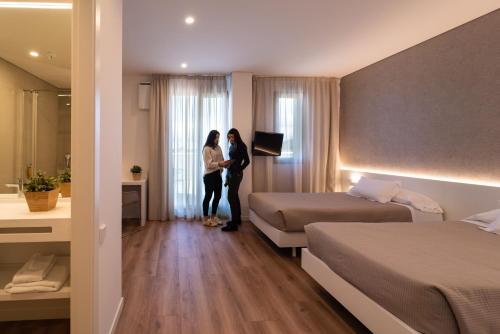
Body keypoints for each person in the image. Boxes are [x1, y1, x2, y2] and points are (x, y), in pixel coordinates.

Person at [222, 128, 250, 232]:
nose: (230, 139)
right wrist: (228, 163)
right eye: (229, 137)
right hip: (230, 173)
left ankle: (234, 225)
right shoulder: (232, 145)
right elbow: (234, 160)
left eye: (232, 136)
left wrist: (239, 169)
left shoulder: (242, 146)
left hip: (236, 174)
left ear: (236, 136)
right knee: (234, 196)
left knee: (231, 197)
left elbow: (247, 161)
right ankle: (237, 220)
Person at [202, 130, 230, 227]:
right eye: (216, 137)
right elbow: (208, 165)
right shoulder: (206, 149)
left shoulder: (218, 148)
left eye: (218, 137)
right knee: (208, 196)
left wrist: (225, 164)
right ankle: (205, 219)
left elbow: (221, 160)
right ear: (211, 138)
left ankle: (213, 217)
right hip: (209, 175)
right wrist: (220, 164)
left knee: (218, 196)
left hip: (218, 174)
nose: (217, 139)